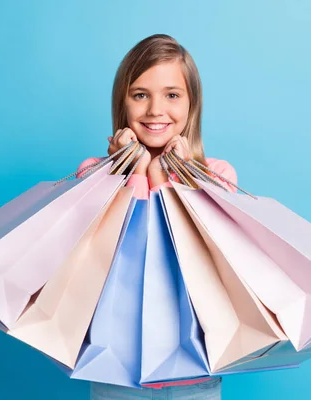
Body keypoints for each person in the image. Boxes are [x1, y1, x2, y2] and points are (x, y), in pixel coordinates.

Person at [78, 33, 237, 400]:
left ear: (191, 104)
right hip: (116, 367)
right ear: (123, 102)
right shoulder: (94, 175)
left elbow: (197, 252)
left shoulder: (217, 176)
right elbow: (100, 251)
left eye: (171, 94)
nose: (154, 110)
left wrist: (162, 173)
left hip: (195, 369)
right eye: (140, 95)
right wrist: (131, 169)